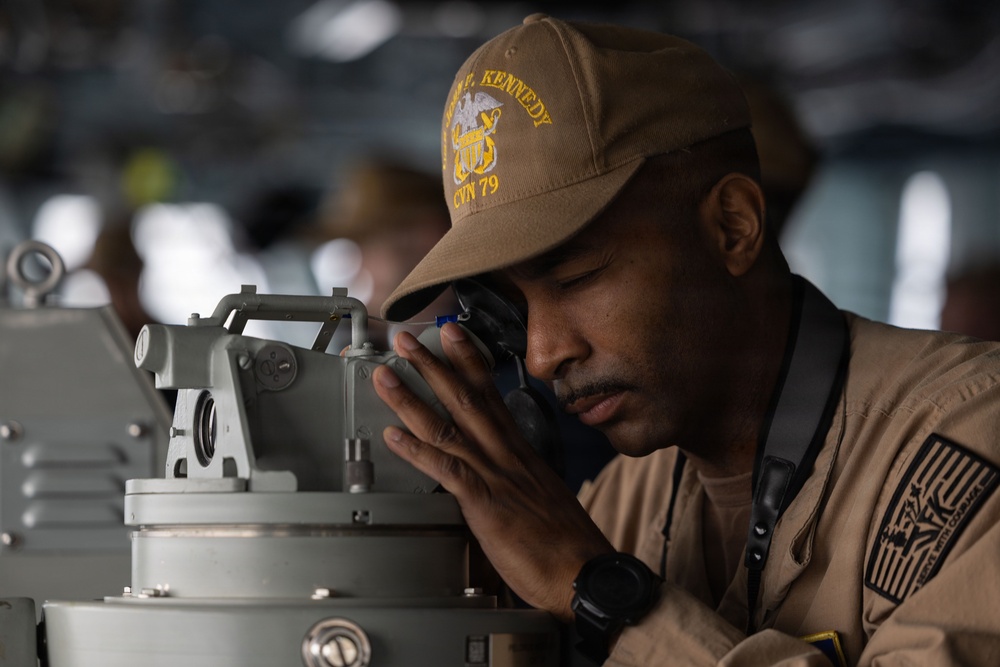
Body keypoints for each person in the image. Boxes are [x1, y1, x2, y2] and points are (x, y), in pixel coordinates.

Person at [369, 14, 1000, 666]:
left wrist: (601, 592)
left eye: (578, 277)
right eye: (517, 305)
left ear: (732, 225)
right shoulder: (622, 498)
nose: (541, 353)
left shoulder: (974, 440)